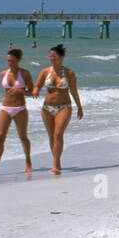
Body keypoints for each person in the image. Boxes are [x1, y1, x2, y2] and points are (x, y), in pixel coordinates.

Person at [33, 44, 82, 174]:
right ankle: (57, 161)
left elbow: (74, 91)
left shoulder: (69, 73)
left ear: (61, 57)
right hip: (47, 108)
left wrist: (79, 107)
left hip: (64, 107)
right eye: (50, 56)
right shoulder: (45, 72)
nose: (52, 58)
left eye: (54, 56)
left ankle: (55, 164)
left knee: (58, 134)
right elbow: (37, 85)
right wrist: (35, 90)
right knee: (51, 136)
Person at [0, 48, 34, 176]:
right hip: (5, 108)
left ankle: (28, 161)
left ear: (18, 60)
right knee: (0, 137)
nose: (9, 63)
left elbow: (33, 92)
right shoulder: (3, 73)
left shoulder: (25, 74)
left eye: (12, 61)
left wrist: (21, 91)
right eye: (8, 61)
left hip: (20, 109)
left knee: (23, 137)